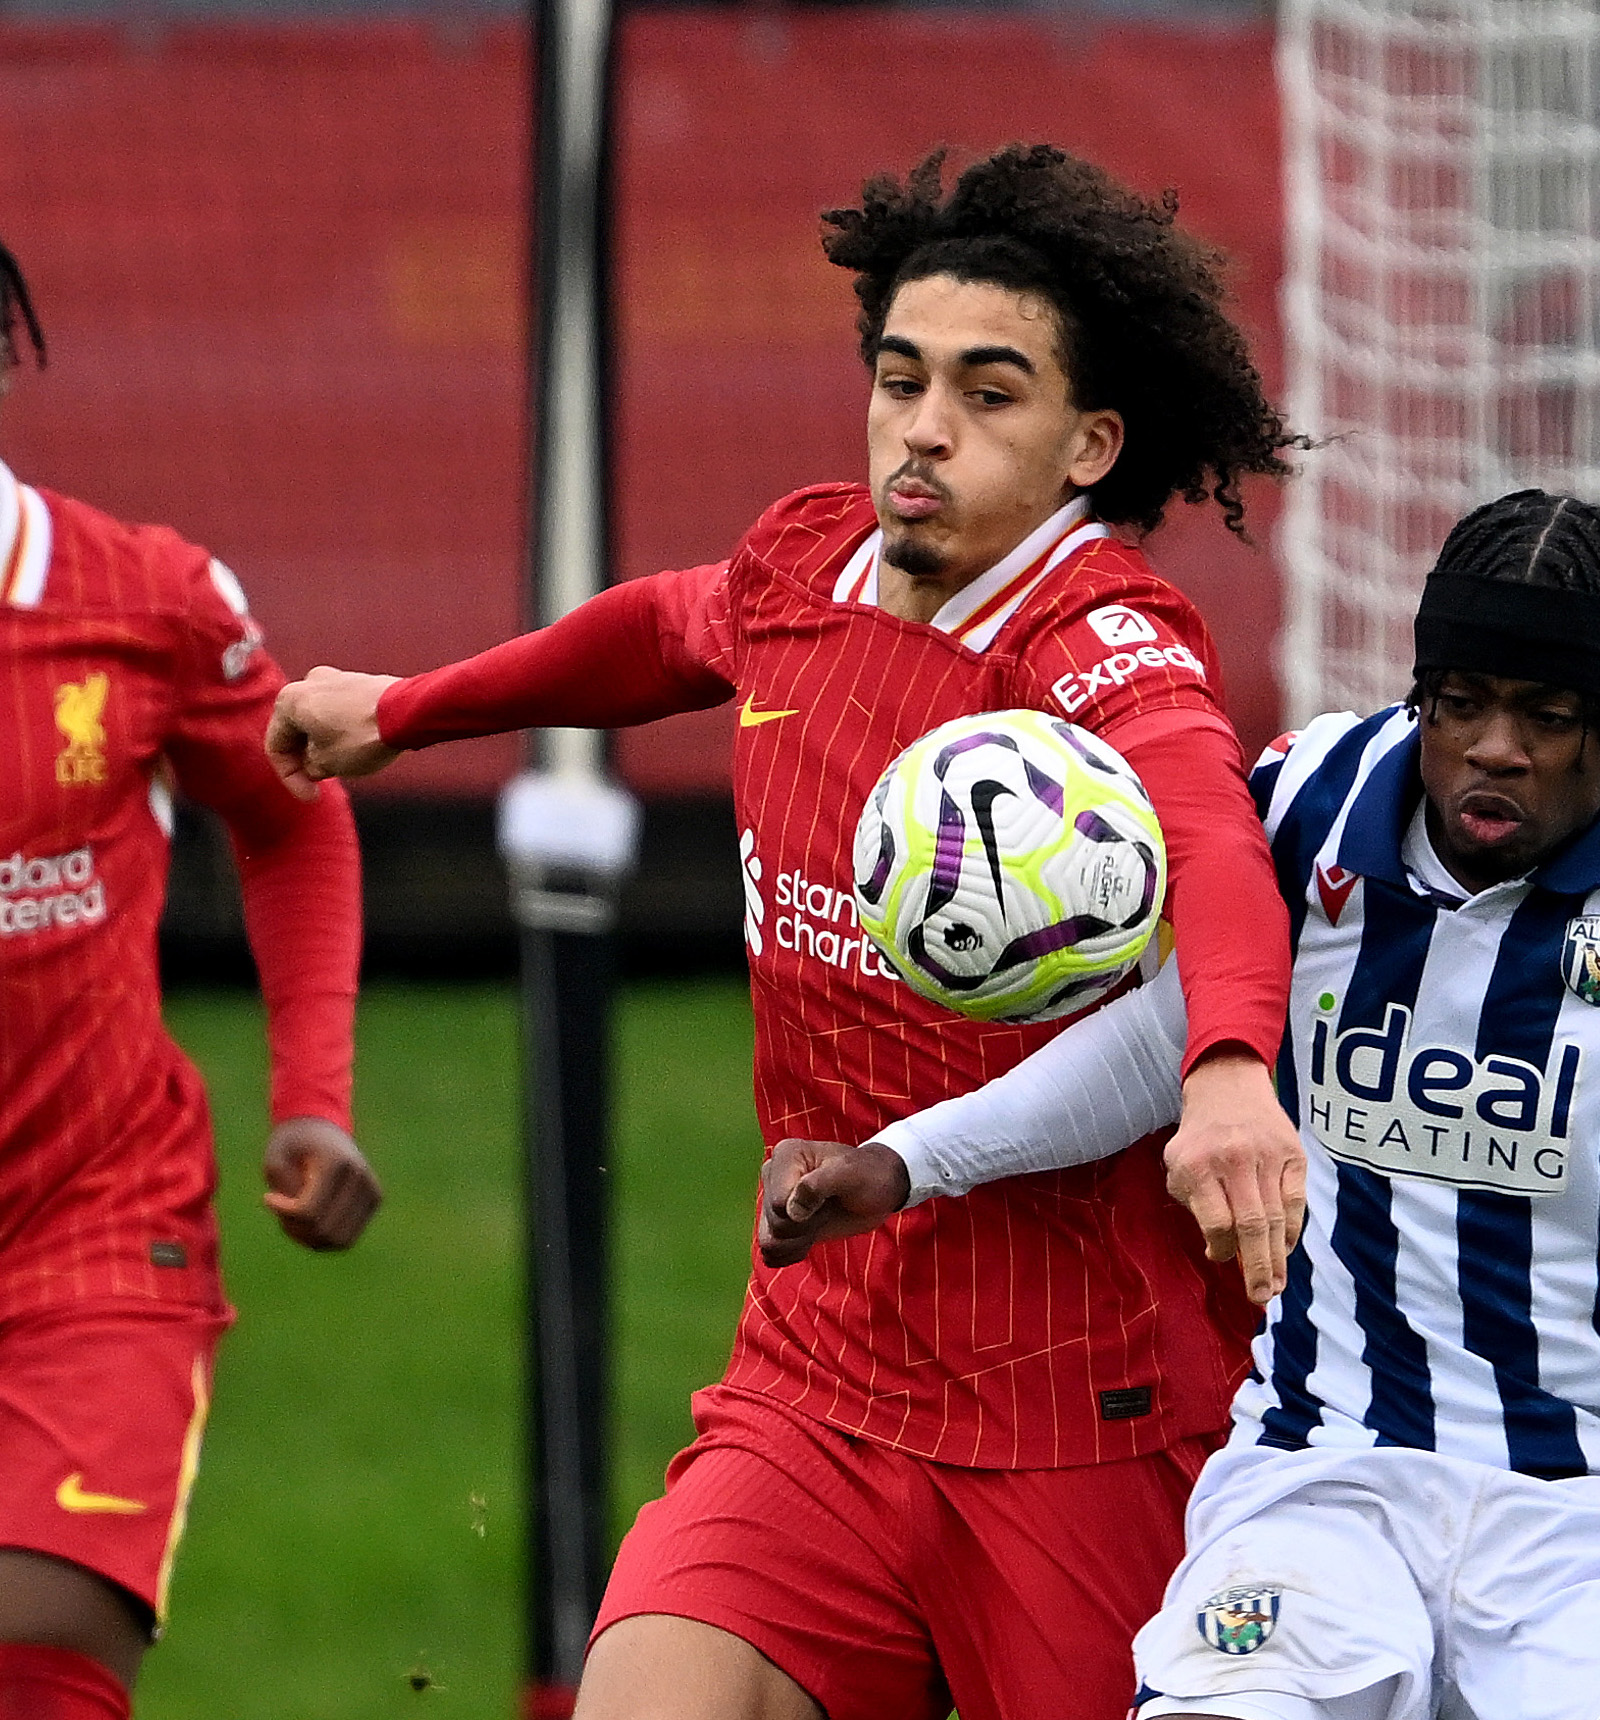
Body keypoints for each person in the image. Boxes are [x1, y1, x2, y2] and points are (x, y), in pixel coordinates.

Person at [265, 145, 1310, 1720]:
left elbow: (1217, 842)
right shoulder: (808, 564)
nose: (925, 427)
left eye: (987, 393)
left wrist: (1229, 1065)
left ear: (1092, 440)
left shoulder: (1100, 646)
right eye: (899, 380)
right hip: (817, 1375)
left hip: (1073, 1413)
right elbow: (659, 630)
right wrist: (407, 711)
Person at [764, 489, 1600, 1720]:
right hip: (1322, 1477)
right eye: (1458, 703)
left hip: (1599, 1513)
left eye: (1546, 715)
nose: (1492, 747)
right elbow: (1170, 1047)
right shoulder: (1305, 803)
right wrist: (905, 1162)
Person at [0, 243, 378, 1720]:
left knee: (34, 1646)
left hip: (87, 1233)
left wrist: (317, 1099)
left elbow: (293, 814)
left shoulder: (137, 598)